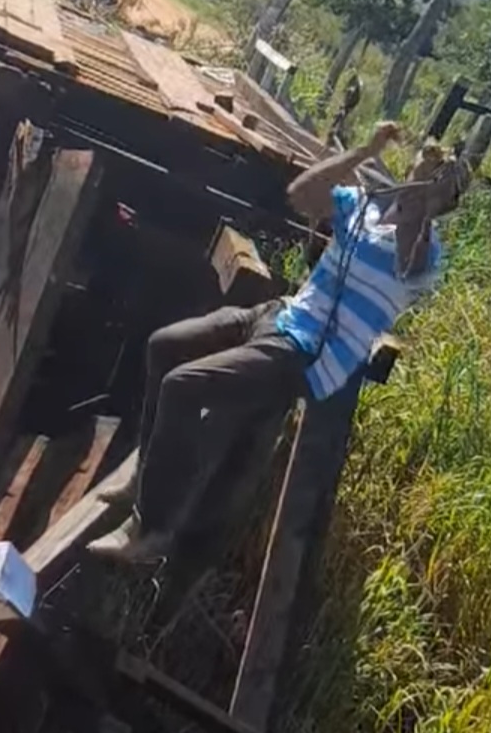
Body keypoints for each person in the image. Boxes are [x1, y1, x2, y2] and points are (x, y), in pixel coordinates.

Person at [86, 122, 471, 564]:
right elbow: (302, 194)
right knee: (164, 345)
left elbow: (408, 248)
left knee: (181, 386)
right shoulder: (365, 211)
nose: (424, 179)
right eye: (425, 170)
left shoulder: (426, 254)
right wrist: (363, 151)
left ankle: (150, 531)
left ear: (447, 202)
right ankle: (146, 473)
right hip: (279, 315)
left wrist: (424, 192)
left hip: (309, 351)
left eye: (439, 182)